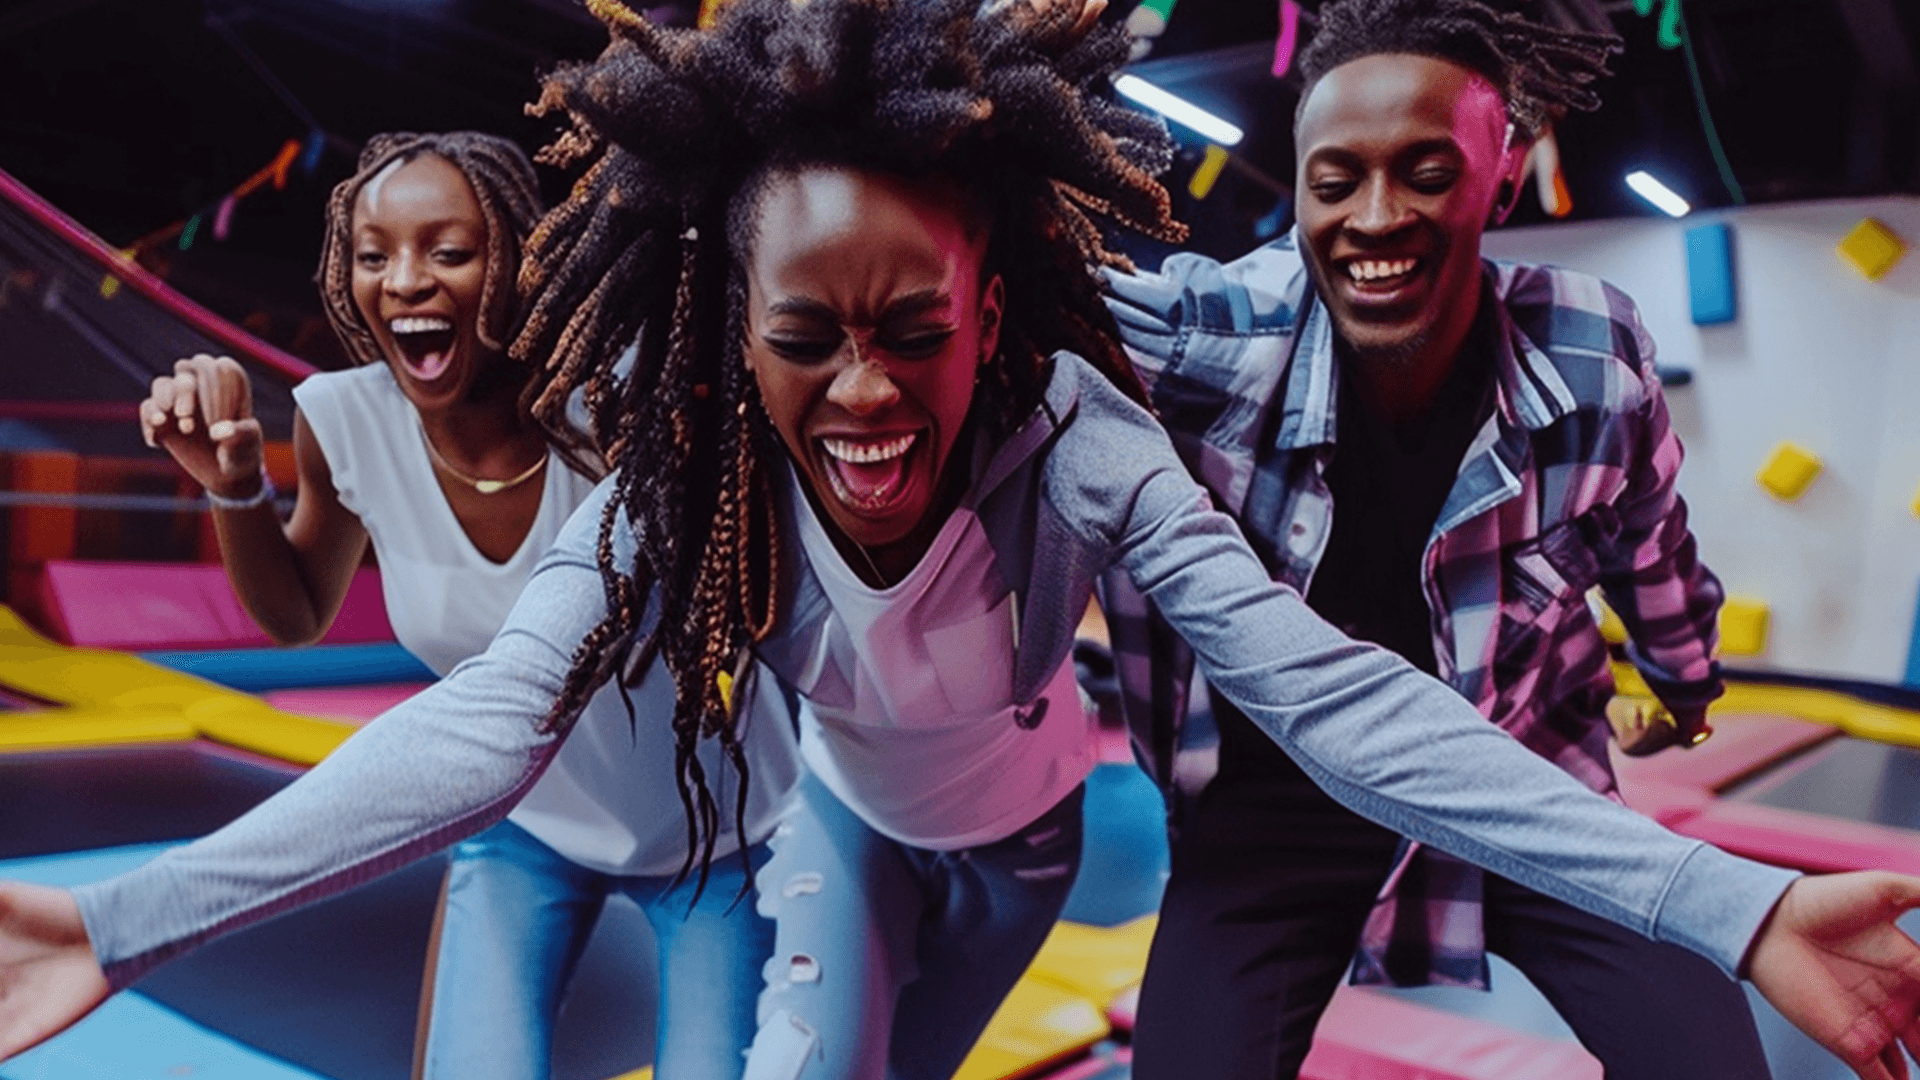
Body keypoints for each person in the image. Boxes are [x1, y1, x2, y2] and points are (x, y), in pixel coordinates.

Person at [5, 5, 1920, 1080]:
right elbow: (497, 714)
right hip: (843, 828)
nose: (860, 397)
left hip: (1034, 843)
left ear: (992, 313)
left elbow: (1323, 684)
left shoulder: (1072, 433)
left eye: (912, 329)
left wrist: (1726, 900)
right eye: (802, 338)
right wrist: (118, 918)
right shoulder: (688, 463)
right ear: (725, 332)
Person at [1095, 0, 1822, 1076]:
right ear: (1299, 186)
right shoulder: (1210, 340)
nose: (1375, 218)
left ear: (1505, 172)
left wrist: (1686, 688)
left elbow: (1649, 543)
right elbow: (1023, 309)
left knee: (1711, 1060)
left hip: (1523, 784)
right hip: (1268, 821)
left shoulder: (1591, 353)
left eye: (1426, 174)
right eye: (1335, 182)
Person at [133, 130, 798, 1080]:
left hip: (716, 835)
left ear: (517, 262)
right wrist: (235, 483)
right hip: (521, 827)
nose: (404, 279)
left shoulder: (610, 410)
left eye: (447, 251)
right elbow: (294, 614)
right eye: (375, 255)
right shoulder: (342, 420)